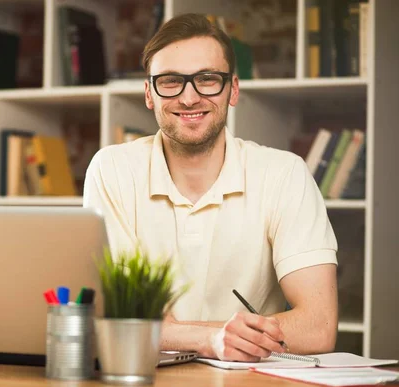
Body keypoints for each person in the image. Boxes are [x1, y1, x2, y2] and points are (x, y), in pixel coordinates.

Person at [83, 13, 338, 362]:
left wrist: (177, 332)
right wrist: (211, 338)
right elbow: (116, 319)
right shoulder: (112, 170)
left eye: (207, 79)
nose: (189, 98)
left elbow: (318, 326)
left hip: (253, 386)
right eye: (171, 81)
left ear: (232, 89)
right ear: (148, 94)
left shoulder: (285, 174)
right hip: (145, 383)